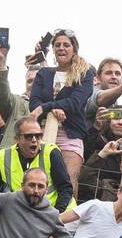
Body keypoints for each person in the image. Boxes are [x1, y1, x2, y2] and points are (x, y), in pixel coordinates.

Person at [29, 29, 95, 194]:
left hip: (70, 135)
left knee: (67, 180)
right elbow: (34, 102)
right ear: (53, 49)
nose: (61, 48)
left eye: (66, 45)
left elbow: (75, 102)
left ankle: (65, 218)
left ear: (74, 49)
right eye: (57, 45)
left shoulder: (84, 74)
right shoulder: (44, 73)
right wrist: (54, 108)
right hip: (42, 132)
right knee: (37, 180)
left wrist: (46, 107)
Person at [0, 116, 73, 212]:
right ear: (17, 139)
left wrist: (56, 215)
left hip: (57, 212)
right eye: (28, 136)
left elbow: (66, 188)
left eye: (38, 136)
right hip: (24, 215)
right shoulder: (3, 156)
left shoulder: (51, 152)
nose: (34, 140)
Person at [0, 38, 37, 154]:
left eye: (38, 80)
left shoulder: (52, 105)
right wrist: (2, 60)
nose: (33, 85)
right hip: (11, 160)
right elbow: (0, 92)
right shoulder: (16, 102)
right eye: (30, 81)